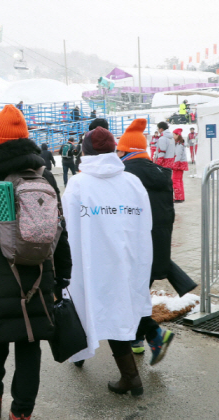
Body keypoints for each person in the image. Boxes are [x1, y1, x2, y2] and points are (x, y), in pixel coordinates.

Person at [0, 104, 72, 420]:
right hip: (39, 272)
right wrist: (63, 275)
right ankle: (22, 412)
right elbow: (60, 230)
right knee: (30, 342)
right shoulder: (43, 174)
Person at [62, 126, 153, 396]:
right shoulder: (132, 182)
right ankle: (130, 376)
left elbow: (69, 226)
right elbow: (145, 223)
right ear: (114, 149)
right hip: (127, 260)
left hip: (91, 261)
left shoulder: (78, 183)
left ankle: (80, 354)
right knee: (118, 310)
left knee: (83, 304)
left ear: (85, 152)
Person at [116, 118, 176, 364]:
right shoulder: (161, 174)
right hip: (157, 247)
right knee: (138, 294)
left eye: (119, 150)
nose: (116, 154)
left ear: (127, 151)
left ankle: (153, 334)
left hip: (134, 248)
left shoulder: (125, 175)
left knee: (128, 295)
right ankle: (137, 340)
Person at [172, 128, 189, 203]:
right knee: (179, 180)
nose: (173, 136)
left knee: (175, 180)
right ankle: (181, 196)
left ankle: (178, 197)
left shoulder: (179, 144)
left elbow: (177, 155)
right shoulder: (180, 143)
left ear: (177, 135)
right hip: (181, 164)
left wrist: (175, 164)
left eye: (174, 135)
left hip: (178, 164)